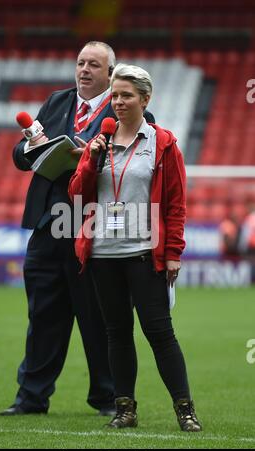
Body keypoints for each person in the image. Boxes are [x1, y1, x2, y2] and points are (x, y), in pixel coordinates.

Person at [0, 42, 152, 417]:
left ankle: (107, 397)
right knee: (43, 315)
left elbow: (139, 156)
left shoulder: (123, 104)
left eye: (94, 64)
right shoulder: (55, 102)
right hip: (48, 226)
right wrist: (32, 147)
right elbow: (21, 156)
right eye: (81, 62)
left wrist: (92, 155)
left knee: (99, 316)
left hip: (94, 227)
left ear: (111, 72)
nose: (84, 69)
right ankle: (31, 398)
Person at [68, 63, 202, 431]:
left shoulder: (163, 142)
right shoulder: (99, 140)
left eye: (126, 95)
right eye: (114, 95)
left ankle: (185, 410)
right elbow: (76, 194)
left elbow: (176, 203)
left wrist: (174, 252)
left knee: (160, 333)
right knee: (117, 333)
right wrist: (91, 160)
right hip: (102, 255)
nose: (118, 102)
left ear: (145, 98)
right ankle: (124, 409)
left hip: (145, 254)